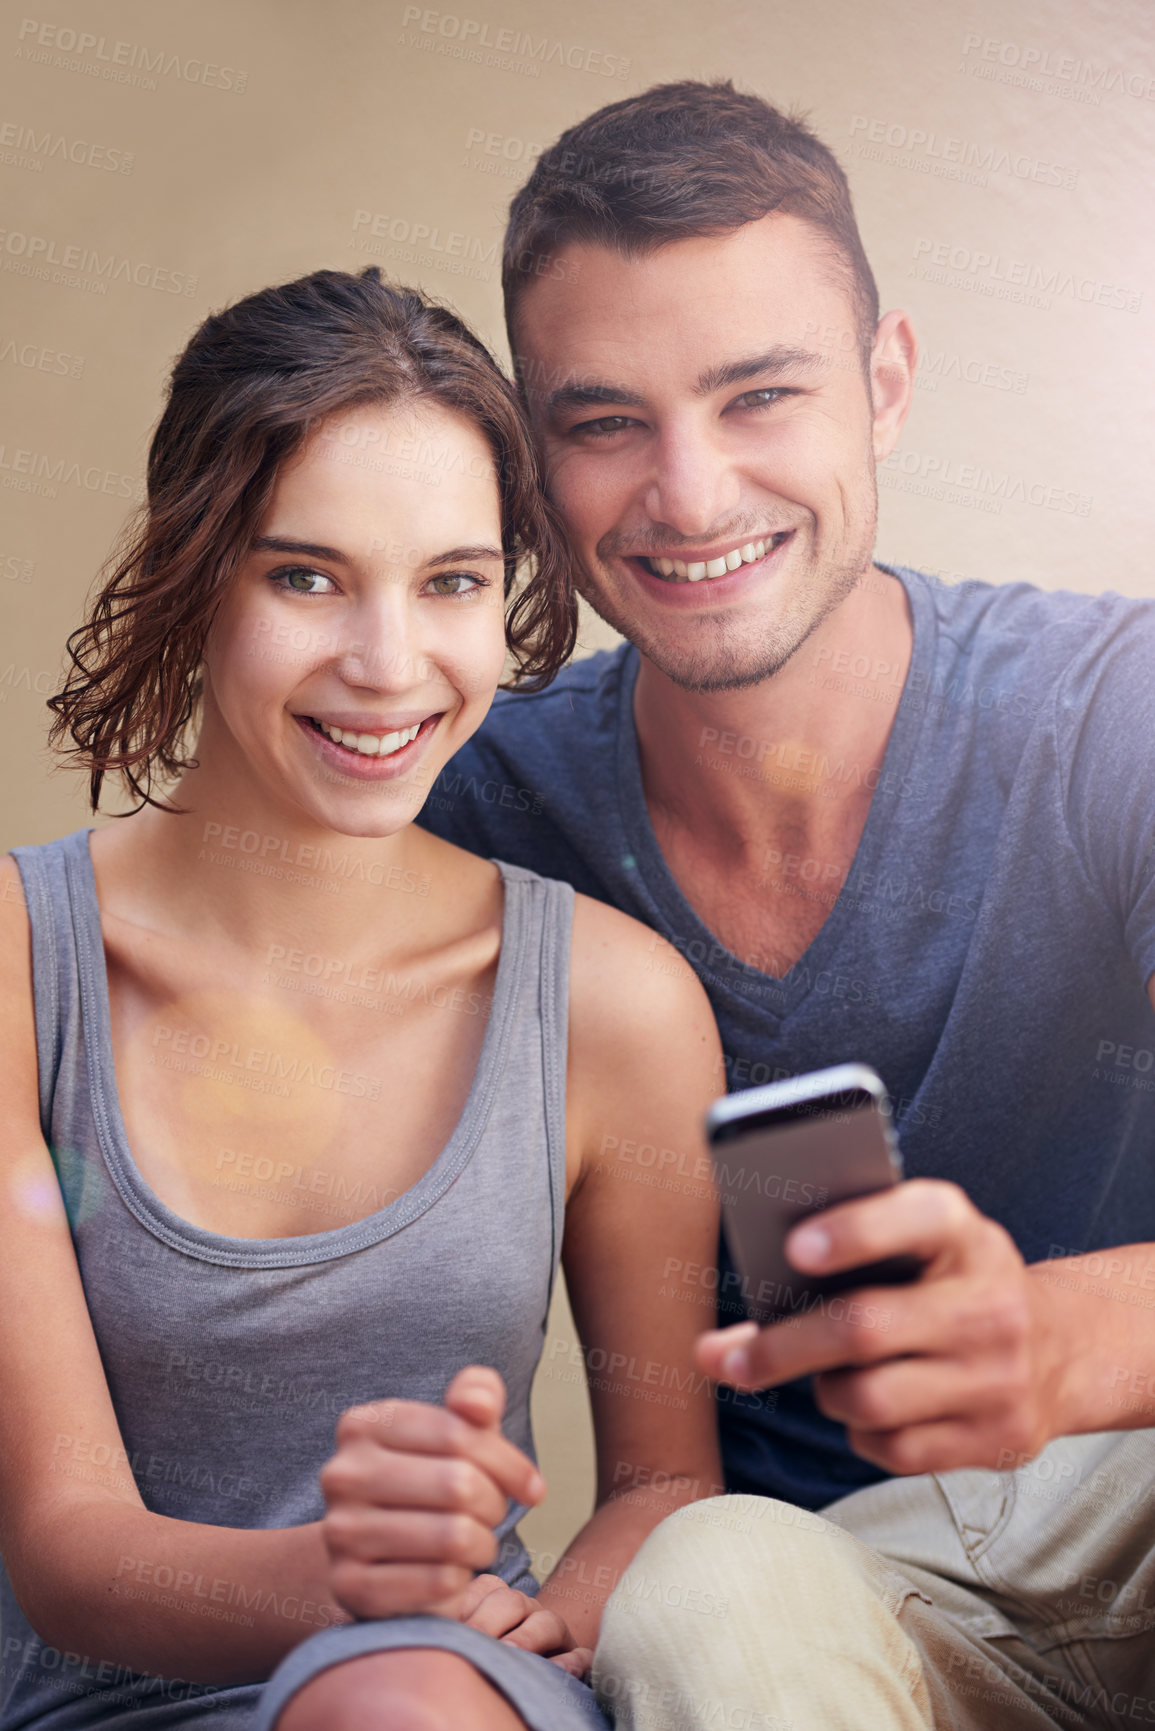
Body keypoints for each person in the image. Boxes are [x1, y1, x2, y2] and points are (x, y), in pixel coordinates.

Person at [418, 81, 1155, 1727]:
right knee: (699, 1593)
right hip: (833, 1587)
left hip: (1134, 1480)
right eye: (607, 422)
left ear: (885, 384)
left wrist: (1049, 1339)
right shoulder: (488, 820)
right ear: (536, 461)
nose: (688, 494)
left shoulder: (1117, 712)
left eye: (760, 395)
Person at [0, 266, 725, 1731]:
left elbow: (664, 1481)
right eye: (306, 576)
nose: (391, 668)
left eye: (453, 581)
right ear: (192, 571)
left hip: (447, 1698)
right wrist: (345, 1578)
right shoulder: (23, 970)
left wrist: (517, 1628)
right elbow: (67, 1552)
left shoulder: (613, 1005)